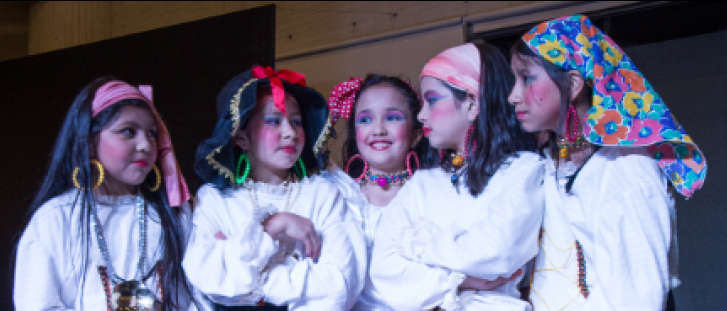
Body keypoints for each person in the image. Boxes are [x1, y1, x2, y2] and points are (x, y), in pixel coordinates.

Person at [508, 15, 707, 310]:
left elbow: (639, 300)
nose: (513, 95)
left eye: (527, 78)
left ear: (573, 83)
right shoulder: (554, 165)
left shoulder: (625, 169)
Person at [369, 42, 542, 310]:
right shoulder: (423, 183)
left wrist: (416, 240)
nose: (422, 115)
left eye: (432, 100)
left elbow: (495, 253)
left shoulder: (524, 170)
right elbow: (385, 272)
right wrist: (461, 281)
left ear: (471, 103)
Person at [184, 66, 367, 310]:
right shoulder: (216, 198)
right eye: (273, 121)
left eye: (296, 121)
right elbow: (206, 279)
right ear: (241, 137)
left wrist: (246, 280)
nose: (290, 133)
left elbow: (338, 287)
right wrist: (272, 227)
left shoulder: (322, 193)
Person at [14, 77, 205, 311]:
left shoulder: (174, 215)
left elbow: (198, 299)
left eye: (152, 134)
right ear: (90, 142)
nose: (145, 144)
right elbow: (35, 305)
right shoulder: (55, 220)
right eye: (128, 131)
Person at [320, 74, 440, 310]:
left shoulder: (432, 193)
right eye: (365, 120)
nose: (378, 129)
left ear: (416, 134)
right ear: (355, 133)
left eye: (393, 117)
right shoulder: (338, 193)